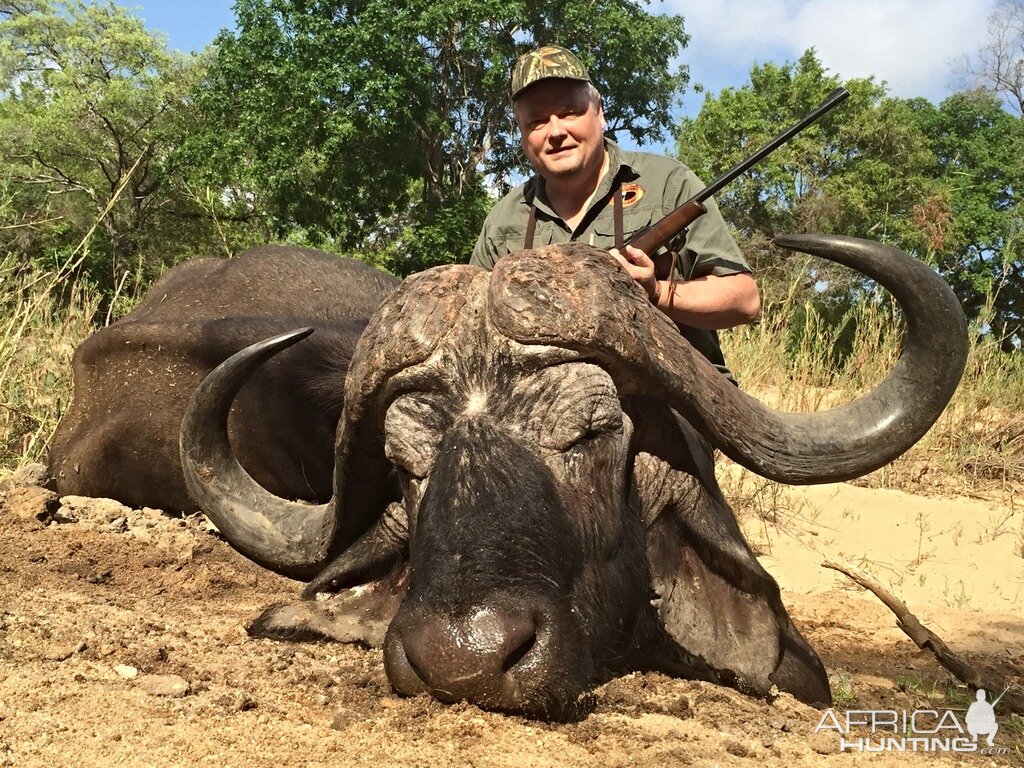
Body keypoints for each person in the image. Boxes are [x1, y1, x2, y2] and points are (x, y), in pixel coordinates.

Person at [470, 45, 760, 381]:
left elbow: (744, 301)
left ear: (599, 112)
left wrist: (657, 293)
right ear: (521, 135)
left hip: (673, 399)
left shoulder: (668, 183)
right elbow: (474, 325)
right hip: (544, 406)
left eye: (569, 112)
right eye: (537, 121)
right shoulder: (505, 219)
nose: (555, 131)